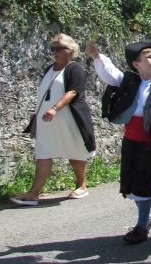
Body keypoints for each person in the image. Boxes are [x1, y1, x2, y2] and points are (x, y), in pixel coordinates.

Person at [86, 41, 151, 244]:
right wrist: (97, 56)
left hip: (149, 145)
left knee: (144, 185)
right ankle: (146, 217)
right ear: (136, 64)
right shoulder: (128, 81)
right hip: (130, 142)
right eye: (149, 57)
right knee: (132, 184)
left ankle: (141, 227)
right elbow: (110, 74)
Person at [11, 34, 95, 205]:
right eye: (53, 49)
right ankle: (34, 193)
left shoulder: (75, 69)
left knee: (75, 151)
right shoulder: (49, 68)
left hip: (69, 117)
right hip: (47, 118)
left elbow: (73, 92)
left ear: (71, 51)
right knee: (43, 152)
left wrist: (55, 108)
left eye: (59, 48)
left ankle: (81, 185)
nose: (55, 52)